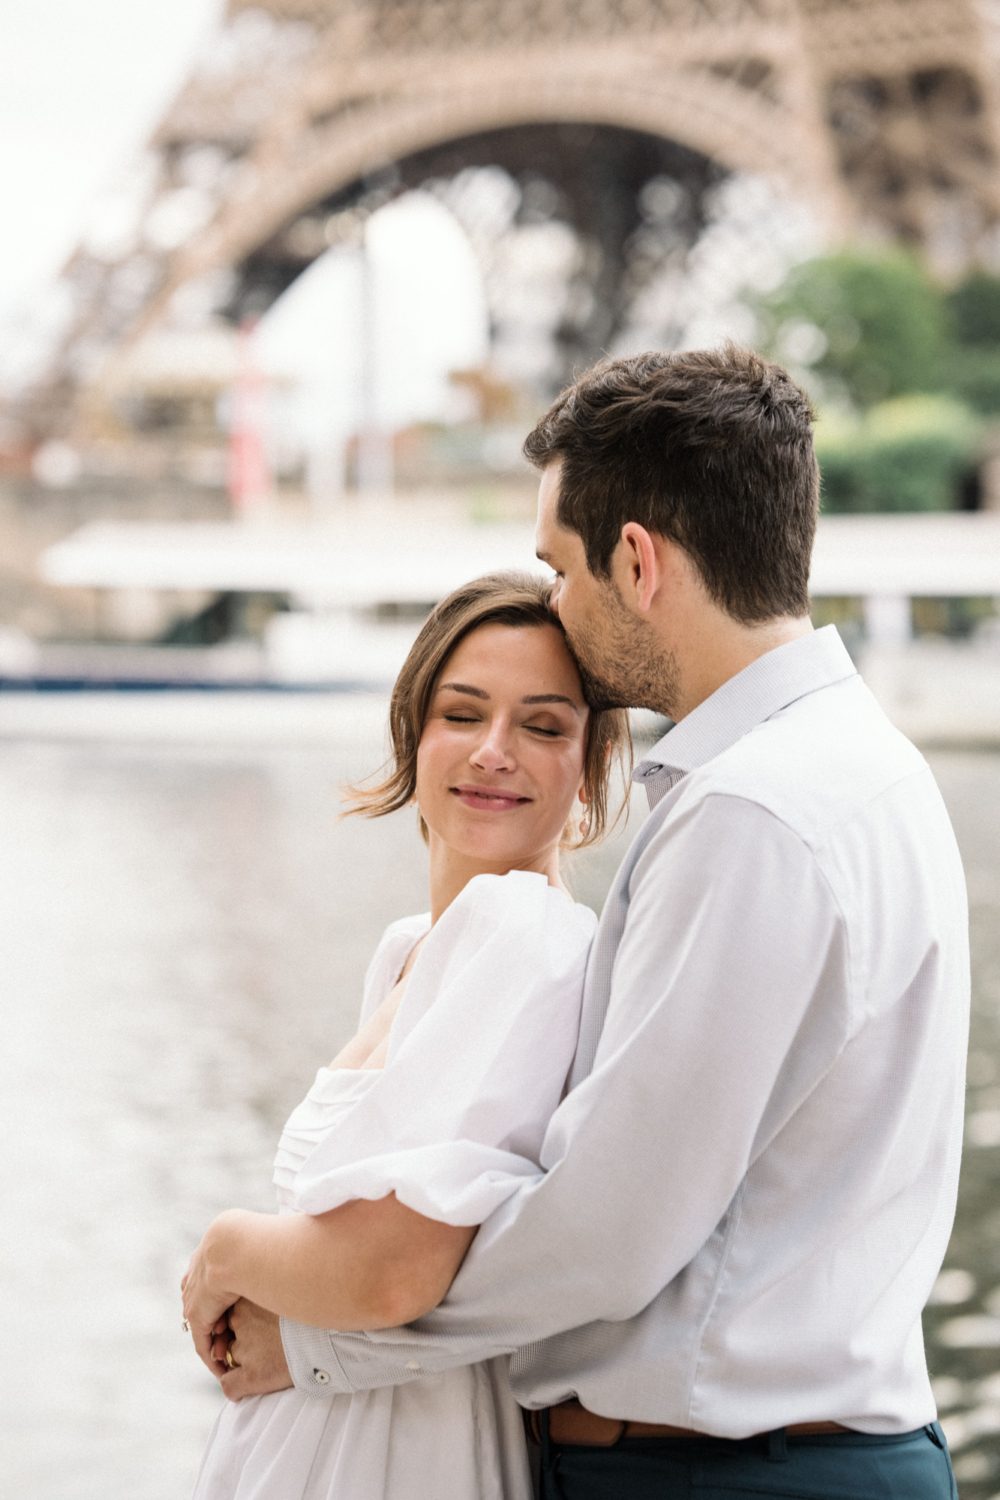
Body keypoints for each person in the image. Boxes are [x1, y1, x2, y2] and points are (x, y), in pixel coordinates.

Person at [202, 346, 969, 1500]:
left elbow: (605, 1232)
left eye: (559, 566)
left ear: (637, 560)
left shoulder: (752, 813)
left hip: (722, 1478)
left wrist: (317, 1337)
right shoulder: (862, 772)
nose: (558, 599)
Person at [182, 573, 631, 1499]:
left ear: (587, 769)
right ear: (412, 732)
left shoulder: (526, 934)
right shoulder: (411, 952)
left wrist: (227, 1246)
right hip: (321, 1438)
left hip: (396, 1456)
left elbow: (390, 1274)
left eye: (543, 727)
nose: (494, 752)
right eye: (462, 714)